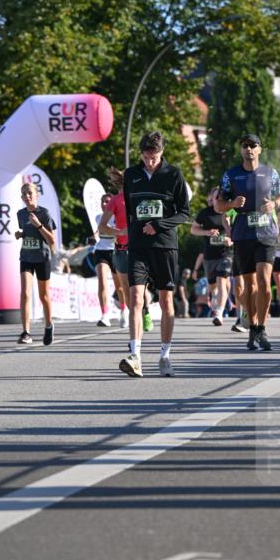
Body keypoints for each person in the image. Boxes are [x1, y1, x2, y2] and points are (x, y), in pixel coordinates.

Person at [119, 131, 190, 378]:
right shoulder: (131, 175)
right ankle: (135, 356)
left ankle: (165, 356)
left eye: (154, 157)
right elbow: (131, 211)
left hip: (164, 246)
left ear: (162, 153)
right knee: (135, 298)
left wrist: (158, 225)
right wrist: (134, 233)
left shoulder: (174, 174)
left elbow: (184, 213)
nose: (150, 162)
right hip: (138, 246)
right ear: (141, 154)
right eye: (146, 157)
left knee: (166, 301)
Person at [215, 133, 280, 351]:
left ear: (259, 149)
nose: (249, 149)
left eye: (253, 145)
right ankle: (253, 326)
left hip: (266, 233)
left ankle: (262, 328)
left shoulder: (270, 173)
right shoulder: (231, 175)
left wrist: (274, 204)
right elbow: (218, 205)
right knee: (250, 286)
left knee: (264, 281)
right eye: (245, 146)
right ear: (241, 150)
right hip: (243, 233)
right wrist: (232, 204)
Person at [14, 182, 56, 345]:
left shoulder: (44, 213)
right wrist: (21, 234)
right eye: (24, 194)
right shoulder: (20, 214)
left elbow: (51, 240)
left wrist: (38, 225)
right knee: (25, 293)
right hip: (26, 256)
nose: (27, 196)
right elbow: (27, 232)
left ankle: (49, 325)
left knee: (43, 296)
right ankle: (26, 332)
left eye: (29, 193)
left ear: (37, 195)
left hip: (42, 257)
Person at [190, 187, 232, 326]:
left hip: (225, 254)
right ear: (212, 199)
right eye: (216, 198)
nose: (219, 200)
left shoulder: (230, 213)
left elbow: (236, 233)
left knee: (222, 280)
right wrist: (206, 232)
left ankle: (219, 313)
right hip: (209, 256)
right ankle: (215, 297)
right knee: (213, 285)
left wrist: (230, 240)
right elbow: (193, 229)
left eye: (221, 198)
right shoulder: (205, 213)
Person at [98, 167, 129, 329]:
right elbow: (101, 228)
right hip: (109, 250)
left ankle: (130, 311)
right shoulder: (113, 204)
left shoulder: (136, 200)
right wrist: (120, 232)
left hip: (129, 249)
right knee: (107, 283)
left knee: (127, 287)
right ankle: (106, 314)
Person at [93, 193, 117, 327]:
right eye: (102, 201)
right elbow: (98, 231)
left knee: (119, 286)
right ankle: (105, 315)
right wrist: (93, 237)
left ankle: (124, 310)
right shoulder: (98, 217)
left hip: (116, 251)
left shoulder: (117, 217)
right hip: (101, 251)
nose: (104, 204)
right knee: (102, 279)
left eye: (107, 201)